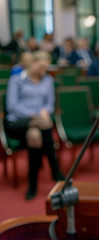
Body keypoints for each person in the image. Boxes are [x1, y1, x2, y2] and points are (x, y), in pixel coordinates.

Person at [5, 51, 64, 200]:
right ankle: (55, 169)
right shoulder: (16, 80)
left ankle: (33, 183)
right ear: (32, 63)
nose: (42, 71)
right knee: (44, 124)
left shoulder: (48, 80)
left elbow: (49, 103)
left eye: (45, 68)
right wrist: (33, 114)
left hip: (37, 125)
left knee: (35, 135)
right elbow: (11, 106)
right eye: (40, 67)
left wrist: (46, 111)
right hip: (17, 122)